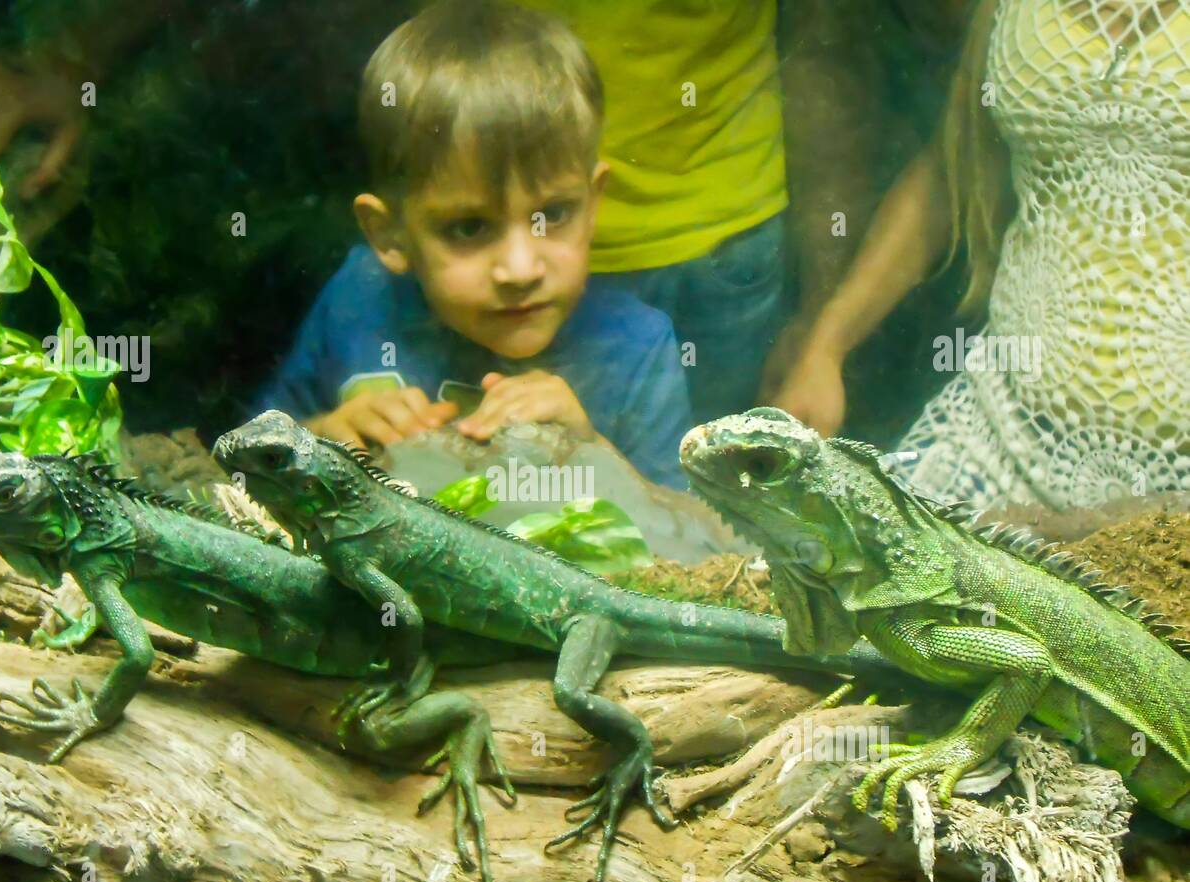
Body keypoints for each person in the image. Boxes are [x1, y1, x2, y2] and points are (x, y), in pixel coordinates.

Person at [252, 0, 694, 490]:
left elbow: (693, 542)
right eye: (468, 227)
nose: (521, 268)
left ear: (593, 207)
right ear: (388, 235)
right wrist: (320, 441)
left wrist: (592, 455)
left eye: (554, 215)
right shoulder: (356, 298)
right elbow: (242, 456)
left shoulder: (638, 349)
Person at [769, 0, 1190, 512]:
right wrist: (826, 346)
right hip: (1004, 430)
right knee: (867, 566)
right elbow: (953, 170)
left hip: (1180, 468)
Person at [518, 0, 790, 427]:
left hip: (722, 238)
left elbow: (829, 43)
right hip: (556, 246)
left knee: (714, 471)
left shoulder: (643, 337)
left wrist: (822, 327)